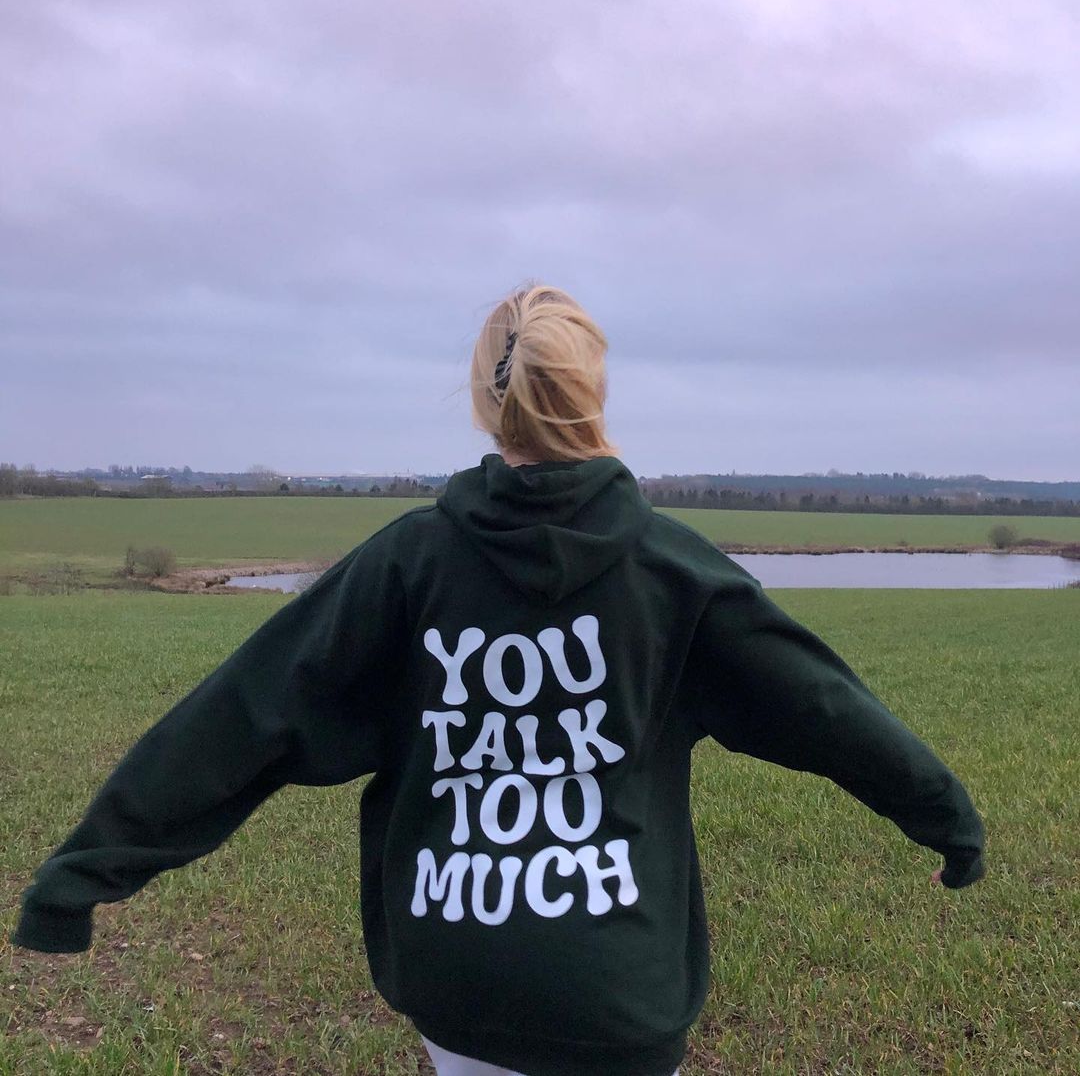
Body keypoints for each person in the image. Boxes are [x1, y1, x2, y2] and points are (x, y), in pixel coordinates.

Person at [11, 283, 985, 1076]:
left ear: (488, 399)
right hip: (617, 986)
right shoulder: (673, 571)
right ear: (594, 395)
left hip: (456, 974)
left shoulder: (406, 563)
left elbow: (248, 710)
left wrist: (82, 873)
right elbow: (822, 705)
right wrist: (943, 814)